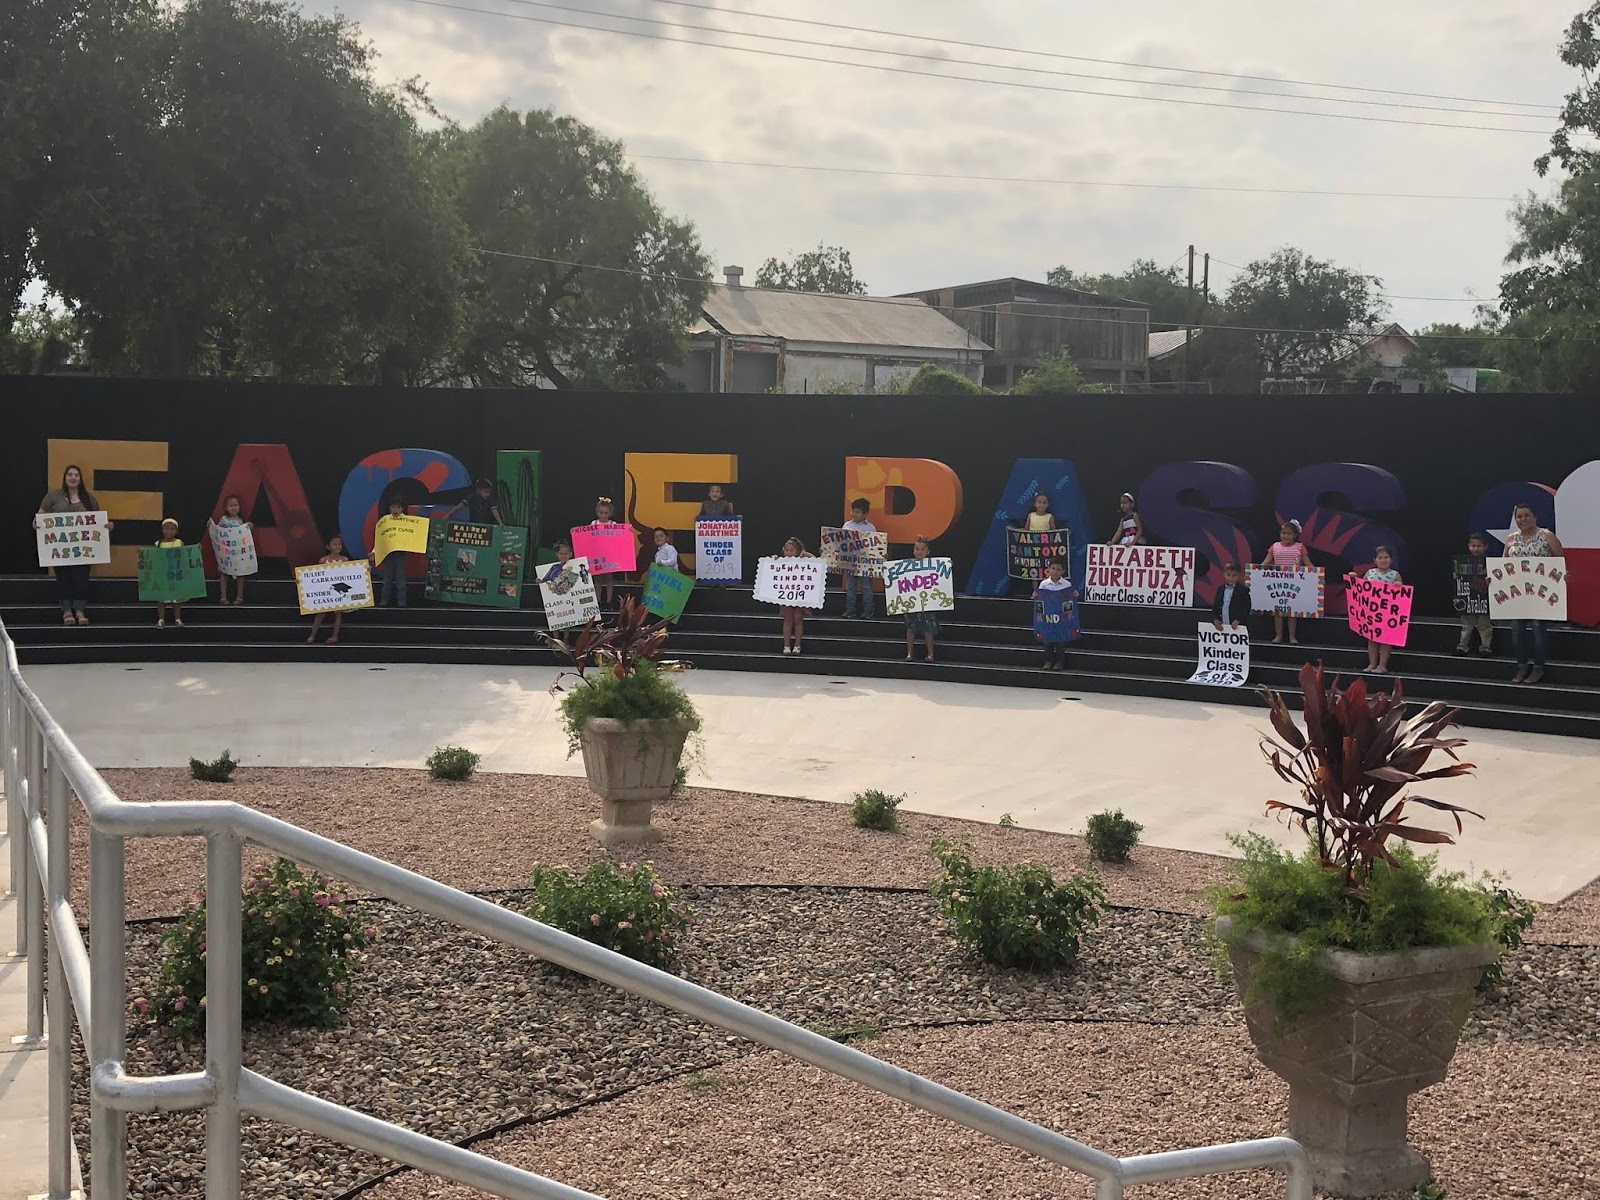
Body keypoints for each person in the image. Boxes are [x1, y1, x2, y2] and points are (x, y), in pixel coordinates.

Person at [36, 463, 114, 626]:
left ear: (80, 479)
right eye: (70, 474)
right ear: (65, 478)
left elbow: (99, 522)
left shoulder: (89, 499)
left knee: (81, 579)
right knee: (63, 578)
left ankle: (79, 611)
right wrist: (37, 523)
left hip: (84, 551)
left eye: (76, 475)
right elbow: (39, 518)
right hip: (60, 549)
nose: (73, 477)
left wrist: (107, 526)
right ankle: (66, 611)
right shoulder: (53, 497)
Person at [1504, 503, 1564, 685]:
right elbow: (1504, 565)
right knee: (1517, 632)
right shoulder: (1510, 539)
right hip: (1517, 595)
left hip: (1540, 594)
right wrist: (1494, 580)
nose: (1523, 519)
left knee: (1538, 630)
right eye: (1519, 517)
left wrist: (1562, 575)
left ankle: (1538, 667)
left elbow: (1559, 561)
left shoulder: (1546, 536)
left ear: (1535, 517)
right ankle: (1522, 666)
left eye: (1526, 515)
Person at [1260, 519, 1313, 645]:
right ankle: (1278, 636)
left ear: (1295, 535)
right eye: (1283, 533)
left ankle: (1292, 637)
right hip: (1277, 583)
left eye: (1289, 533)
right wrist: (1256, 572)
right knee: (1278, 612)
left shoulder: (1300, 548)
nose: (1285, 536)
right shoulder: (1275, 547)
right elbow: (1265, 562)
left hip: (1294, 584)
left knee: (1292, 612)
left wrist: (1316, 576)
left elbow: (1308, 564)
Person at [1362, 546, 1403, 675]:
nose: (1383, 560)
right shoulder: (1370, 573)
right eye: (1380, 558)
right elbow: (1361, 588)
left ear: (1391, 560)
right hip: (1372, 612)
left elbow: (1402, 592)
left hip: (1388, 613)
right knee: (1372, 639)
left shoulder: (1394, 574)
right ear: (1375, 560)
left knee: (1386, 640)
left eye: (1386, 557)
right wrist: (1352, 578)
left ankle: (1382, 665)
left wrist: (1398, 585)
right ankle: (1372, 663)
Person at [1033, 557, 1077, 671]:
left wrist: (1074, 595)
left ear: (1063, 571)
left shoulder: (1067, 584)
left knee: (1061, 641)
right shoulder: (1044, 584)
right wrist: (1035, 597)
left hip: (1061, 618)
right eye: (1053, 568)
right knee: (1047, 640)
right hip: (1047, 617)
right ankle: (1048, 661)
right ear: (1048, 569)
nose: (1055, 571)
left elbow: (1069, 603)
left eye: (1058, 569)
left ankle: (1060, 662)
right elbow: (1040, 602)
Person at [901, 536, 940, 662]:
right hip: (912, 603)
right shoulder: (907, 565)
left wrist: (948, 564)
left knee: (928, 629)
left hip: (927, 602)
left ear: (928, 552)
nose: (919, 551)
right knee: (910, 628)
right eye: (917, 549)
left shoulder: (934, 565)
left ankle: (930, 654)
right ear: (913, 550)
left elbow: (942, 573)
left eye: (922, 549)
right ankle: (909, 653)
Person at [210, 494, 254, 606]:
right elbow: (218, 531)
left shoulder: (241, 521)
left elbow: (244, 534)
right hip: (226, 552)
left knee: (240, 573)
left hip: (238, 553)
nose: (234, 507)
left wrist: (248, 527)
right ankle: (223, 596)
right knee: (224, 573)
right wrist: (211, 526)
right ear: (226, 508)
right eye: (231, 505)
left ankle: (239, 596)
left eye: (236, 505)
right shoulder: (223, 520)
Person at [1455, 532, 1493, 657]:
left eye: (1479, 546)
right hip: (1467, 598)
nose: (1476, 549)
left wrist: (1490, 578)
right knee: (1466, 624)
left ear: (1485, 547)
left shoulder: (1490, 563)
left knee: (1484, 624)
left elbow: (1496, 577)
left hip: (1484, 599)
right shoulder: (1463, 563)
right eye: (1473, 546)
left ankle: (1485, 647)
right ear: (1468, 546)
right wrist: (1456, 576)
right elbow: (1458, 577)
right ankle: (1462, 646)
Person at [839, 498, 878, 619]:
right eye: (853, 511)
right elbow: (840, 542)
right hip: (850, 562)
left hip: (865, 563)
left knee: (866, 586)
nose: (854, 514)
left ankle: (868, 610)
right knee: (850, 586)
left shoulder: (870, 528)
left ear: (865, 514)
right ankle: (850, 610)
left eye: (857, 512)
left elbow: (875, 546)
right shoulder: (847, 525)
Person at [307, 535, 351, 645]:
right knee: (320, 613)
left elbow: (351, 575)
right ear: (328, 546)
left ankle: (335, 636)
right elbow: (315, 577)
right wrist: (303, 581)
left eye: (339, 544)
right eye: (335, 544)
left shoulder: (345, 560)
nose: (338, 546)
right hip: (326, 591)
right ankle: (312, 635)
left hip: (339, 591)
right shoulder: (323, 560)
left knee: (338, 613)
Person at [372, 498, 412, 608]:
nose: (395, 509)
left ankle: (402, 602)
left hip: (400, 553)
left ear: (402, 508)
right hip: (388, 553)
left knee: (401, 580)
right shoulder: (385, 521)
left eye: (398, 507)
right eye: (393, 506)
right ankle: (384, 601)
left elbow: (413, 536)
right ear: (389, 508)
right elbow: (380, 538)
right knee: (387, 579)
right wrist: (374, 551)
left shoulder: (408, 521)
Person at [778, 536, 813, 655]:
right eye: (786, 550)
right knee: (787, 620)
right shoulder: (780, 563)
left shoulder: (804, 562)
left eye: (791, 551)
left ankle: (797, 645)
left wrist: (807, 554)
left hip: (800, 597)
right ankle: (786, 645)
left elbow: (817, 564)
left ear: (797, 551)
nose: (788, 553)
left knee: (798, 620)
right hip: (786, 596)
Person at [154, 518, 188, 629]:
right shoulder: (158, 544)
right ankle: (161, 619)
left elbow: (185, 555)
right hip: (163, 575)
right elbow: (153, 557)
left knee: (176, 598)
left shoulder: (179, 543)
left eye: (172, 529)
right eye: (167, 528)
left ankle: (177, 619)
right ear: (162, 530)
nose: (169, 531)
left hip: (175, 575)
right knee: (161, 598)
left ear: (176, 531)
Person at [588, 496, 620, 608]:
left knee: (609, 577)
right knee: (598, 578)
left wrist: (627, 531)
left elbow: (619, 537)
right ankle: (598, 601)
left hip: (609, 554)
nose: (603, 515)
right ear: (597, 512)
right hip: (597, 554)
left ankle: (609, 601)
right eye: (601, 512)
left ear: (610, 513)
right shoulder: (594, 524)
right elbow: (588, 538)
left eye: (606, 513)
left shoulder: (613, 524)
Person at [1210, 562, 1250, 631]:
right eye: (1228, 575)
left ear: (1238, 576)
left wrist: (1238, 620)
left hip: (1236, 627)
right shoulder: (1220, 589)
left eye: (1234, 575)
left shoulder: (1243, 590)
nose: (1230, 578)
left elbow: (1246, 608)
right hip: (1221, 626)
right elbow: (1215, 606)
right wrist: (1215, 619)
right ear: (1224, 574)